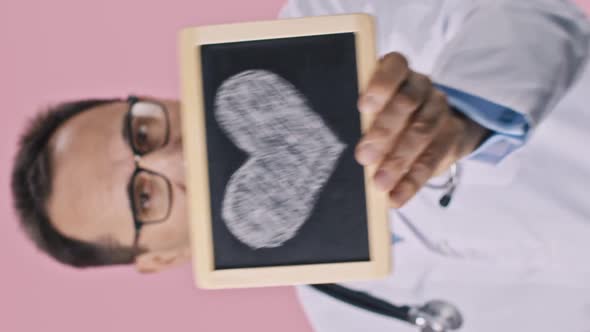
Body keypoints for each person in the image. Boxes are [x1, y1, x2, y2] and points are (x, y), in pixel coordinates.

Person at [10, 0, 590, 330]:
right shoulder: (348, 315)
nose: (178, 153)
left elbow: (530, 16)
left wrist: (463, 112)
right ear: (160, 256)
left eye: (143, 130)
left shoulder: (329, 24)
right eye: (145, 195)